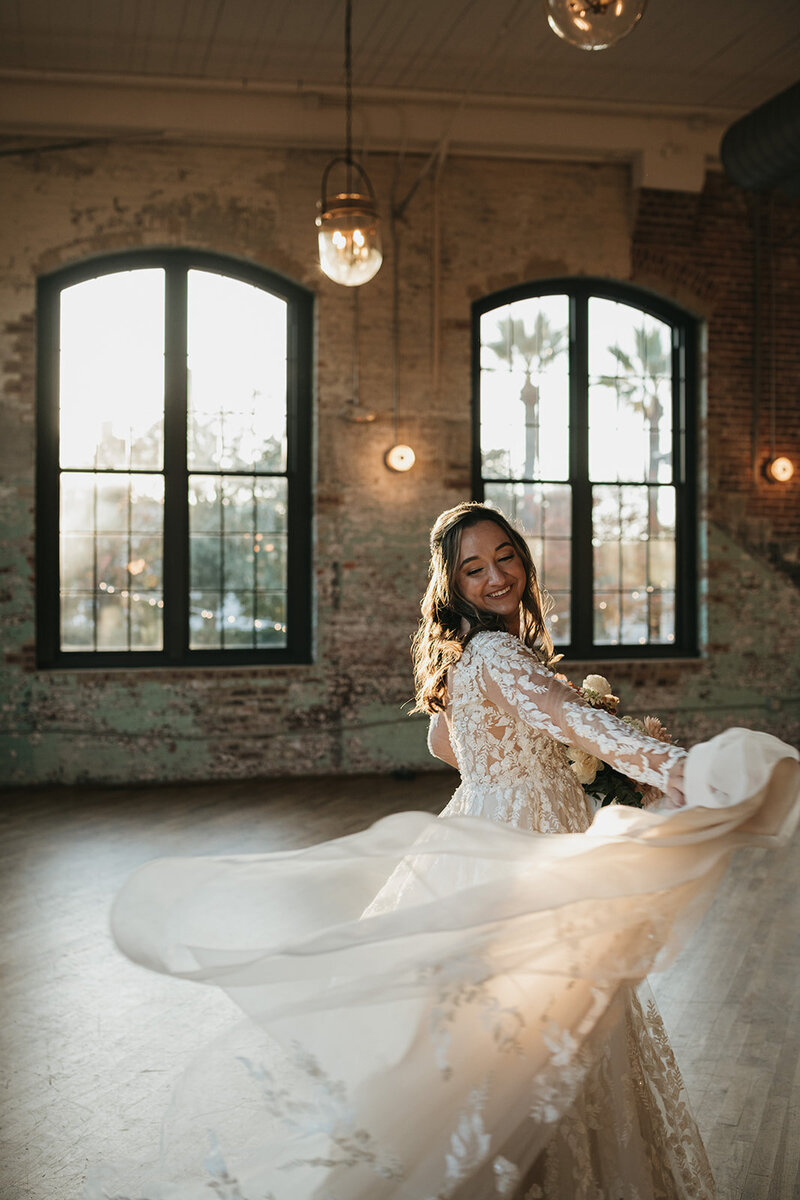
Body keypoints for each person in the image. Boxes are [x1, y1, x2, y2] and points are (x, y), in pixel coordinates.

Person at [95, 503, 799, 1200]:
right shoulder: (500, 652)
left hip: (480, 831)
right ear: (453, 583)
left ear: (522, 558)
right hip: (523, 846)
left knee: (494, 1036)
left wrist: (522, 769)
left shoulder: (466, 659)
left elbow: (446, 745)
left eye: (505, 557)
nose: (496, 576)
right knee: (544, 1026)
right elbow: (579, 723)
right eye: (474, 568)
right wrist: (684, 770)